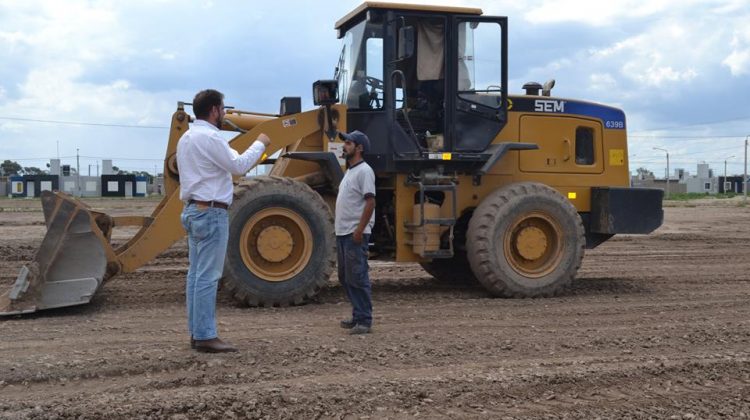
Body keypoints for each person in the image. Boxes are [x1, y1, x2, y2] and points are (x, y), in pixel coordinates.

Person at [176, 89, 271, 353]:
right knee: (207, 277)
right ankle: (206, 336)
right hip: (211, 213)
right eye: (223, 108)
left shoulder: (186, 138)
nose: (225, 113)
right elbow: (239, 166)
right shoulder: (211, 138)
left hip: (194, 211)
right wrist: (261, 142)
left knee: (196, 276)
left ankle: (197, 332)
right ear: (215, 110)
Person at [335, 130, 376, 335]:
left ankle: (364, 320)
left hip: (354, 232)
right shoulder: (350, 171)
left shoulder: (364, 171)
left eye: (349, 143)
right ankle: (357, 314)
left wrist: (359, 230)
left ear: (359, 148)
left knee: (358, 276)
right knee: (346, 277)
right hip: (343, 233)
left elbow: (370, 201)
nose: (345, 146)